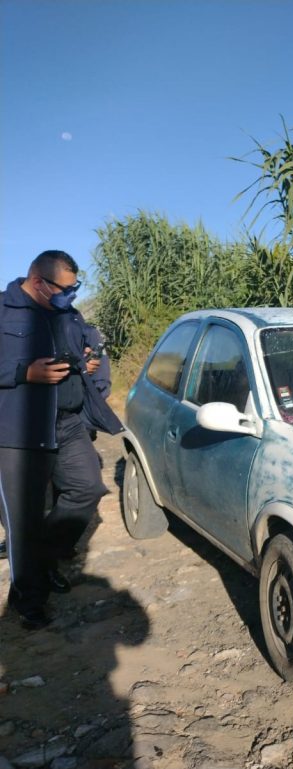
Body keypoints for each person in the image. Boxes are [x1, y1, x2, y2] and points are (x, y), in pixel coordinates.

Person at [0, 250, 123, 629]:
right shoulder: (3, 310)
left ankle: (43, 560)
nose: (70, 296)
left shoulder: (69, 314)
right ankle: (29, 599)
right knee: (23, 520)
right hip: (18, 431)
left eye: (75, 289)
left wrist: (84, 363)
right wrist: (23, 372)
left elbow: (77, 354)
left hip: (67, 423)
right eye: (64, 289)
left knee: (88, 488)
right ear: (38, 282)